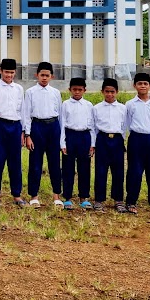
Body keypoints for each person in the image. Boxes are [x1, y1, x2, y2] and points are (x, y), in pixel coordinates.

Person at [22, 61, 62, 208]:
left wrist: (61, 137)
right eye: (42, 75)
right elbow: (26, 114)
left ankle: (57, 195)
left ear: (52, 76)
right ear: (36, 75)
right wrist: (27, 135)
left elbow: (61, 115)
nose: (44, 78)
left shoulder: (56, 93)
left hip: (53, 127)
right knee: (35, 163)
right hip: (37, 127)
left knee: (54, 163)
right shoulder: (30, 92)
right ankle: (34, 196)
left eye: (47, 75)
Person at [0, 58, 25, 207]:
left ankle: (17, 195)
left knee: (15, 161)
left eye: (12, 72)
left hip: (15, 127)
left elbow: (23, 110)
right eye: (6, 72)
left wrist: (23, 132)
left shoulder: (19, 89)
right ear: (1, 71)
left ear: (15, 72)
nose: (9, 75)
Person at [124, 72, 150, 215]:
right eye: (139, 83)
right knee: (135, 171)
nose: (143, 86)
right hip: (136, 139)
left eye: (145, 84)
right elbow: (127, 123)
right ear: (134, 86)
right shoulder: (130, 104)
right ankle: (131, 201)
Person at [92, 78, 127, 212]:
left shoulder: (123, 108)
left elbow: (124, 126)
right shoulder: (96, 108)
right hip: (102, 139)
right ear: (102, 92)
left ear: (116, 92)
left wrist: (120, 140)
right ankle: (99, 200)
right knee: (101, 170)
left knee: (118, 171)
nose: (110, 94)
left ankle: (118, 200)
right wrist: (94, 143)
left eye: (112, 92)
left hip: (117, 140)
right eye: (107, 91)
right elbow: (94, 127)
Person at [59, 77, 95, 210]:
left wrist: (92, 143)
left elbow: (92, 126)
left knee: (84, 168)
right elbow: (62, 124)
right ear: (70, 90)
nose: (77, 92)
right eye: (74, 89)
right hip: (70, 135)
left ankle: (83, 197)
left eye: (80, 90)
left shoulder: (89, 105)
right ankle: (67, 197)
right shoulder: (65, 104)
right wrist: (62, 143)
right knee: (68, 168)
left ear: (84, 90)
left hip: (84, 136)